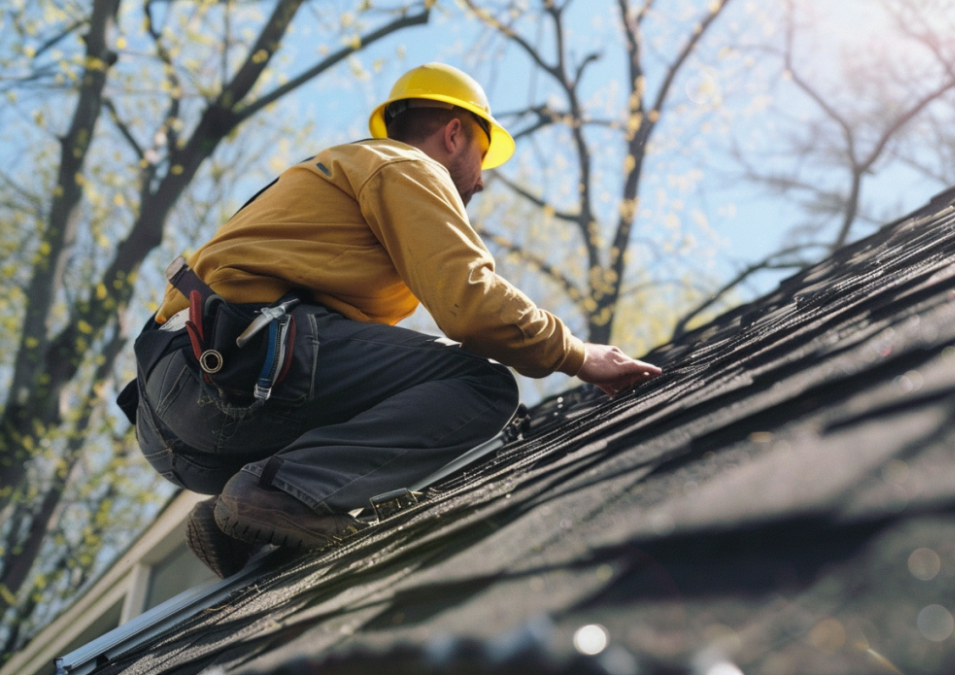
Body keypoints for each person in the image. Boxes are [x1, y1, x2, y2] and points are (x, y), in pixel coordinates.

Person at [125, 63, 661, 578]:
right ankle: (274, 492)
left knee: (397, 391)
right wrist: (579, 354)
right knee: (480, 385)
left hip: (174, 418)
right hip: (230, 369)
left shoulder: (335, 177)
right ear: (454, 134)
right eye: (481, 157)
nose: (480, 182)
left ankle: (241, 526)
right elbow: (470, 303)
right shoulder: (405, 166)